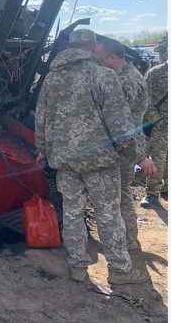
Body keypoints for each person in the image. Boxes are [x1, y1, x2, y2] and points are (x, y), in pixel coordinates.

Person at [34, 28, 153, 285]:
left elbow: (41, 118)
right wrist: (136, 155)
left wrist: (43, 149)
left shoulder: (51, 79)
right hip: (100, 161)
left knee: (73, 213)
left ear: (69, 47)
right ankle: (120, 270)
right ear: (93, 46)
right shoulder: (103, 76)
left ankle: (78, 267)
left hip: (65, 161)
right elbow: (121, 124)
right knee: (108, 213)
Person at [94, 38, 157, 250]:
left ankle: (128, 239)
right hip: (123, 145)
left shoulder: (128, 82)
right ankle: (126, 238)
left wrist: (139, 155)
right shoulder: (123, 76)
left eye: (102, 59)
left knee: (120, 194)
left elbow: (121, 121)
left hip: (125, 147)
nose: (100, 63)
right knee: (119, 193)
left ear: (112, 57)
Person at [141, 35, 168, 207]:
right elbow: (146, 100)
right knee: (158, 158)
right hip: (163, 124)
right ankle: (152, 193)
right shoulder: (156, 73)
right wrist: (156, 122)